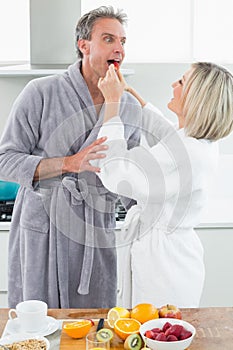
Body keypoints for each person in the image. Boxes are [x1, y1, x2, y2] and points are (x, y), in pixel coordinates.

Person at [0, 6, 141, 308]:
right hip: (45, 230)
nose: (119, 48)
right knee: (38, 327)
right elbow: (5, 160)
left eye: (123, 41)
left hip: (94, 229)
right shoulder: (40, 92)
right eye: (108, 39)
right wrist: (70, 163)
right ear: (83, 45)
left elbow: (132, 180)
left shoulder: (128, 106)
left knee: (95, 326)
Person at [92, 62, 233, 307]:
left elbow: (118, 172)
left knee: (158, 337)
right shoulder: (197, 143)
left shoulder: (188, 154)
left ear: (197, 98)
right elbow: (164, 133)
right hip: (170, 258)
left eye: (181, 82)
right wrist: (128, 91)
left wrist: (112, 103)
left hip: (163, 268)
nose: (173, 85)